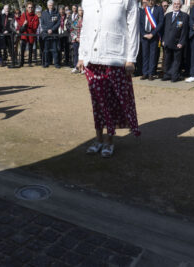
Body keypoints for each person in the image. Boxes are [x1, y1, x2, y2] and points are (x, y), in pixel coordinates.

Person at [77, 0, 140, 157]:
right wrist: (81, 56)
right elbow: (85, 29)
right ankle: (98, 139)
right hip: (92, 59)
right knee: (97, 103)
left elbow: (133, 28)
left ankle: (108, 141)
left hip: (115, 58)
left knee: (110, 102)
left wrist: (131, 58)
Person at [162, 0, 189, 82]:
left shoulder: (184, 16)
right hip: (167, 41)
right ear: (172, 5)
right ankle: (167, 74)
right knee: (167, 59)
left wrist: (181, 42)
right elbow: (164, 29)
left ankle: (174, 76)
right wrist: (163, 40)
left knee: (176, 61)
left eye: (178, 4)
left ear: (180, 6)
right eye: (175, 4)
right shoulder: (168, 15)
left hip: (177, 43)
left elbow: (185, 31)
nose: (176, 5)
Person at [140, 0, 164, 80]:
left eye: (152, 0)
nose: (150, 2)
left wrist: (152, 34)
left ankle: (151, 73)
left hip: (154, 35)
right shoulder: (143, 10)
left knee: (153, 55)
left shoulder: (159, 9)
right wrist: (143, 34)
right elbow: (140, 23)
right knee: (145, 55)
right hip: (145, 36)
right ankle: (145, 73)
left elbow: (161, 23)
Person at [41, 0, 60, 68]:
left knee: (55, 50)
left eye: (52, 5)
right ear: (47, 6)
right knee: (46, 50)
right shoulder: (43, 13)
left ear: (53, 5)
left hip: (54, 34)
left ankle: (56, 63)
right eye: (49, 5)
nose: (51, 6)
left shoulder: (57, 13)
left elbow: (58, 23)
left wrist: (52, 29)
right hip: (46, 35)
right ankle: (46, 63)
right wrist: (47, 30)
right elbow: (42, 24)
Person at [18, 2, 39, 67]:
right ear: (27, 8)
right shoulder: (23, 15)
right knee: (22, 48)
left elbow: (35, 27)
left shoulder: (35, 17)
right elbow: (20, 24)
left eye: (31, 7)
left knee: (30, 49)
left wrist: (28, 24)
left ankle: (30, 62)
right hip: (24, 34)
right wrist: (24, 24)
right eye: (29, 7)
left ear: (33, 8)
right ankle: (21, 62)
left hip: (31, 34)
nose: (30, 8)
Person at [70, 6, 82, 73]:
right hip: (76, 40)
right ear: (78, 11)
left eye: (82, 10)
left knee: (83, 54)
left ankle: (83, 68)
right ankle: (76, 67)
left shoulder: (86, 20)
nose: (81, 11)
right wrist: (76, 38)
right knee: (75, 54)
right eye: (79, 10)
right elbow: (72, 29)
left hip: (83, 40)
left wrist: (82, 38)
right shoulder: (75, 20)